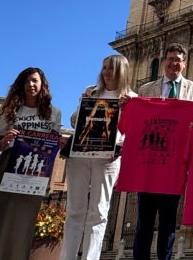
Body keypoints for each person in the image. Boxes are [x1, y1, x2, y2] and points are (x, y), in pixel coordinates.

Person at [0, 67, 63, 260]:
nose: (31, 85)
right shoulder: (11, 110)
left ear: (42, 84)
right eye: (26, 81)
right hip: (8, 165)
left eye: (34, 81)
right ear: (20, 85)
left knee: (25, 220)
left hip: (36, 171)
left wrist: (59, 142)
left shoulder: (53, 113)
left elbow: (53, 143)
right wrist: (4, 141)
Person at [62, 54, 137, 260]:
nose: (106, 72)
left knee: (99, 212)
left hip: (108, 159)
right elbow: (74, 121)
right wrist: (84, 101)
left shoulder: (132, 98)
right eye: (104, 68)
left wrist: (127, 110)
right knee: (74, 211)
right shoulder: (92, 92)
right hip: (80, 156)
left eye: (111, 68)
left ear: (121, 71)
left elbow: (134, 132)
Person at [134, 43, 193, 260]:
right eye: (170, 58)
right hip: (150, 163)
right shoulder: (146, 90)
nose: (174, 63)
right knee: (143, 221)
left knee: (168, 221)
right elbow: (137, 124)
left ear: (185, 64)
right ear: (164, 61)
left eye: (178, 60)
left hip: (174, 166)